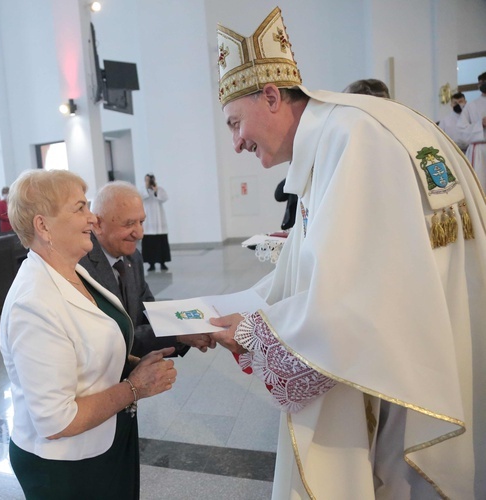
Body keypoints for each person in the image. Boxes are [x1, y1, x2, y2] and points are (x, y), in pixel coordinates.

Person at [212, 8, 485, 499]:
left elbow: (350, 302)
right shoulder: (342, 132)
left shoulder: (353, 138)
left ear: (271, 96)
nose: (235, 143)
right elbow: (317, 256)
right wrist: (236, 312)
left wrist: (254, 329)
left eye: (235, 123)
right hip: (427, 342)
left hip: (412, 373)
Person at [0, 169, 177, 499]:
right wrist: (134, 387)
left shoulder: (75, 271)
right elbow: (56, 422)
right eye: (79, 208)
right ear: (43, 226)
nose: (93, 217)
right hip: (65, 467)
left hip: (106, 438)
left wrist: (138, 362)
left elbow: (88, 346)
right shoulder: (33, 304)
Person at [79, 181, 215, 358]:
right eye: (129, 224)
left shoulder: (133, 257)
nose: (140, 233)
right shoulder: (81, 267)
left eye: (141, 222)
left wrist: (189, 324)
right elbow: (110, 340)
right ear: (97, 224)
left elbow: (148, 310)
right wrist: (178, 334)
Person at [458, 71, 486, 187]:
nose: (482, 85)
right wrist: (481, 124)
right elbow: (461, 130)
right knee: (480, 185)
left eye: (484, 82)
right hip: (479, 149)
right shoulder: (471, 105)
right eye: (480, 83)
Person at [140, 174, 170, 271]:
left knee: (161, 242)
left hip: (159, 221)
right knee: (149, 243)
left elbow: (164, 198)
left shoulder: (159, 189)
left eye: (150, 180)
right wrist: (146, 188)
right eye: (147, 180)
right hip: (148, 222)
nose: (149, 182)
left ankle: (163, 263)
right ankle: (151, 264)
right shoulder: (142, 190)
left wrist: (156, 191)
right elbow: (141, 197)